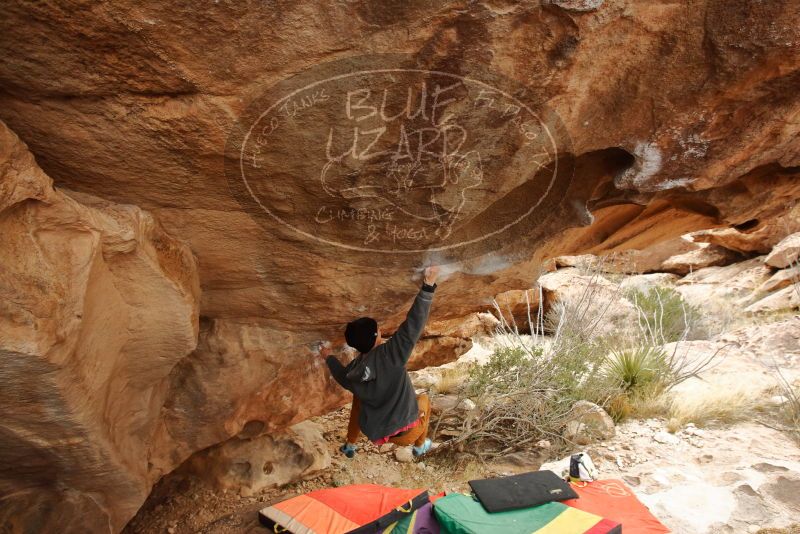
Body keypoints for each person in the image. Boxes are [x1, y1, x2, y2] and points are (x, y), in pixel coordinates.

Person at [322, 265, 440, 459]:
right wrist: (428, 286)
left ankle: (350, 444)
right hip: (407, 433)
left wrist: (327, 356)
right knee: (424, 400)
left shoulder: (353, 373)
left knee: (359, 398)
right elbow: (413, 326)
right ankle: (420, 446)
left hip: (376, 432)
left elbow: (341, 376)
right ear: (376, 336)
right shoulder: (391, 355)